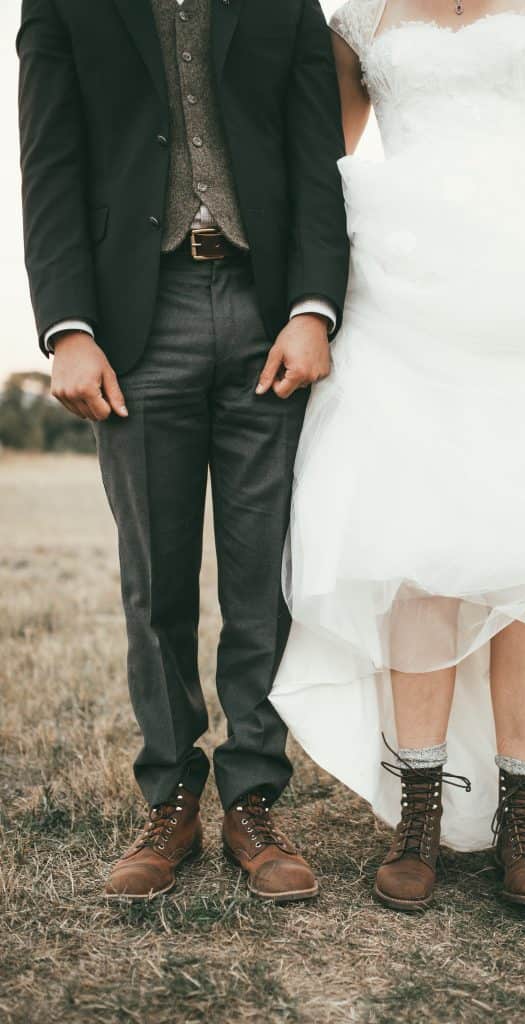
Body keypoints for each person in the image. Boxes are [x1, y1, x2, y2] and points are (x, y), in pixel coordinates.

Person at [271, 0, 525, 910]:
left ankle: (521, 815)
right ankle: (419, 813)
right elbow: (320, 170)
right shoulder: (355, 17)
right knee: (419, 549)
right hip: (403, 290)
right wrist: (308, 304)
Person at [17, 0, 349, 903]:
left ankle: (252, 797)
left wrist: (314, 307)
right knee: (155, 580)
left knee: (260, 578)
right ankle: (170, 797)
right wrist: (65, 330)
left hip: (263, 311)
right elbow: (48, 161)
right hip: (134, 319)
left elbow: (320, 161)